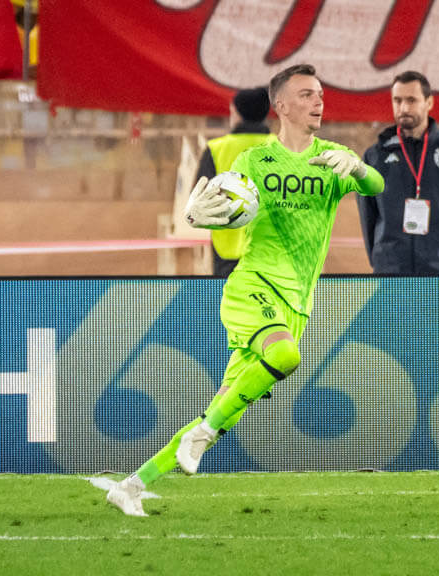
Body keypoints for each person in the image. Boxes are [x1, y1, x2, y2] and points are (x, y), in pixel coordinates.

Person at [103, 63, 384, 517]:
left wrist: (359, 166)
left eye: (320, 94)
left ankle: (132, 485)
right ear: (281, 106)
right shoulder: (253, 161)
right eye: (307, 94)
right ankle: (203, 434)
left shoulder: (333, 157)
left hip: (296, 302)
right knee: (285, 357)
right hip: (252, 286)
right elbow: (223, 207)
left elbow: (377, 186)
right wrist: (197, 215)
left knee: (226, 407)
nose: (318, 101)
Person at [357, 71, 439, 275]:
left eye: (411, 100)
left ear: (429, 102)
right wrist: (384, 258)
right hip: (391, 272)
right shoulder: (375, 157)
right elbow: (368, 218)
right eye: (397, 100)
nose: (403, 108)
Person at [194, 87, 272, 277]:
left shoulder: (216, 149)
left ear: (236, 114)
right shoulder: (284, 148)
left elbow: (199, 200)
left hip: (228, 253)